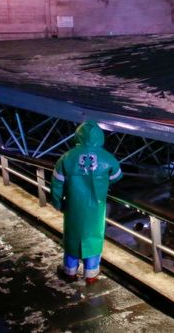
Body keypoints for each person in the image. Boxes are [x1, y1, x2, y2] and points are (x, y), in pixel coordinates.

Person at [50, 121, 122, 285]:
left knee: (72, 237)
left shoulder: (66, 158)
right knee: (94, 238)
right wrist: (104, 183)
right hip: (96, 207)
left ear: (78, 136)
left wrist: (57, 203)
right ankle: (91, 275)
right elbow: (117, 176)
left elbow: (56, 184)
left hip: (73, 206)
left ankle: (69, 271)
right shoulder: (107, 158)